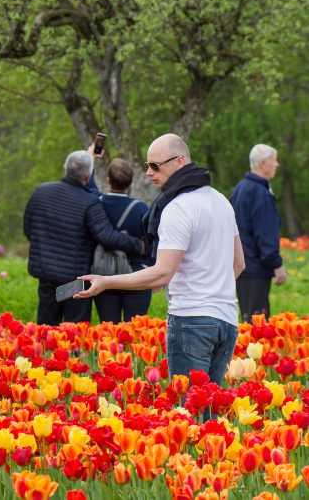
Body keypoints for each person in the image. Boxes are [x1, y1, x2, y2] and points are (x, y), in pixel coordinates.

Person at [77, 134, 245, 389]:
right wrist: (212, 290)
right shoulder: (221, 201)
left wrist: (106, 282)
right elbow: (239, 264)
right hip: (227, 320)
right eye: (147, 165)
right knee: (210, 415)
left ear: (179, 161)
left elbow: (162, 274)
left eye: (155, 166)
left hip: (191, 320)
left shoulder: (178, 207)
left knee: (189, 412)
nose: (148, 172)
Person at [23, 150, 144, 325]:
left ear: (65, 169)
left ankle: (45, 352)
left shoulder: (40, 192)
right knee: (75, 332)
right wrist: (138, 245)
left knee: (46, 329)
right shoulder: (89, 202)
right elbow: (107, 237)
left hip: (46, 273)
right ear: (88, 177)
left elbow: (29, 229)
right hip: (74, 279)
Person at [231, 144, 286, 322]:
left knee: (247, 318)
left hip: (242, 266)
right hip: (257, 268)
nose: (276, 164)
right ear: (263, 163)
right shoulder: (260, 193)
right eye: (274, 160)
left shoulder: (240, 189)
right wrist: (276, 265)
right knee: (258, 324)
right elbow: (265, 233)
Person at [93, 159, 153, 323]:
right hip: (136, 275)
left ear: (108, 180)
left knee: (109, 329)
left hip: (104, 274)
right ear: (130, 183)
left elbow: (89, 186)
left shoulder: (97, 204)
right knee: (135, 330)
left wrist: (92, 157)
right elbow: (151, 244)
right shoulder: (141, 208)